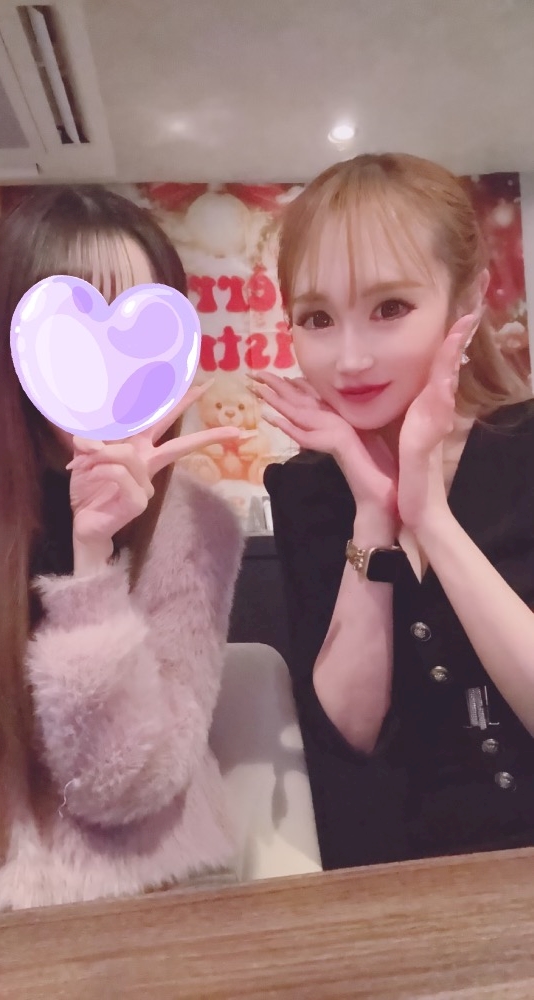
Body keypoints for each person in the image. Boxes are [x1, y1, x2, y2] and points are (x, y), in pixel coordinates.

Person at [252, 153, 534, 869]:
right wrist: (374, 514)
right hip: (397, 881)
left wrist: (430, 515)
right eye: (317, 318)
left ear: (467, 299)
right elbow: (350, 733)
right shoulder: (308, 490)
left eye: (389, 309)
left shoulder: (524, 448)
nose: (349, 360)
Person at [0, 185, 245, 914]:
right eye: (72, 340)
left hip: (137, 901)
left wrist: (89, 565)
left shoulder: (197, 528)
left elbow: (122, 786)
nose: (106, 368)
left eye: (137, 338)